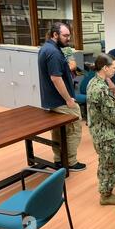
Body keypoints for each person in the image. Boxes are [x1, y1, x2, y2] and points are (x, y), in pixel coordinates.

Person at [38, 22, 86, 171]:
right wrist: (68, 100)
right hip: (61, 101)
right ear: (55, 35)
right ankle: (70, 162)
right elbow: (56, 78)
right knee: (73, 129)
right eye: (65, 35)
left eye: (69, 35)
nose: (68, 38)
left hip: (52, 101)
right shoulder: (53, 53)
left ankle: (59, 159)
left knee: (59, 131)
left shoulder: (46, 48)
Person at [86, 53, 115, 206]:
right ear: (105, 68)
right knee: (112, 165)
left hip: (97, 131)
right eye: (113, 68)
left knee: (104, 163)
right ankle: (106, 194)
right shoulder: (102, 89)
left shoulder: (93, 82)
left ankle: (104, 190)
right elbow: (113, 115)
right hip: (107, 134)